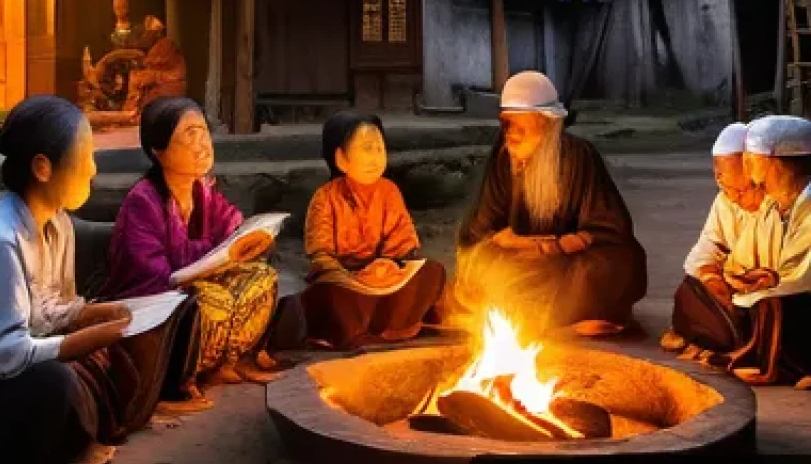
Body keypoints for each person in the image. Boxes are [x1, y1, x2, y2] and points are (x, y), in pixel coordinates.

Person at [0, 95, 201, 464]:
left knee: (124, 345)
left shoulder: (59, 223)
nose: (93, 169)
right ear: (42, 168)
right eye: (85, 156)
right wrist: (86, 339)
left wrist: (97, 314)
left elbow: (54, 309)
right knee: (55, 383)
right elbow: (3, 354)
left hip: (12, 368)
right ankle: (15, 451)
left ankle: (80, 430)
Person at [101, 97, 280, 400]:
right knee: (211, 300)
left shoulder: (203, 189)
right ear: (158, 151)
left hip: (194, 281)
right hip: (151, 298)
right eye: (189, 134)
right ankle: (180, 380)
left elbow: (230, 226)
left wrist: (250, 240)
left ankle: (227, 362)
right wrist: (208, 256)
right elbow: (151, 273)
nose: (202, 145)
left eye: (203, 132)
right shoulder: (142, 201)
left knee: (261, 278)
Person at [450, 71, 647, 338]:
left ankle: (568, 316)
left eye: (521, 126)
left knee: (609, 266)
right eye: (508, 124)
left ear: (546, 125)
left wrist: (556, 246)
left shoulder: (579, 155)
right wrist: (513, 244)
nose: (512, 134)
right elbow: (482, 227)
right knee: (480, 265)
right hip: (519, 262)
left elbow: (609, 227)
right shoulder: (503, 156)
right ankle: (562, 319)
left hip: (568, 262)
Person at [299, 112, 446, 349]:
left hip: (384, 274)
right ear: (341, 159)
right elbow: (320, 254)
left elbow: (403, 242)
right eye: (366, 148)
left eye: (380, 148)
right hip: (346, 280)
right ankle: (354, 333)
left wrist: (386, 264)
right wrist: (347, 275)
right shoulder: (325, 197)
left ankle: (392, 327)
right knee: (329, 291)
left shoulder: (389, 191)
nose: (375, 158)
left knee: (432, 271)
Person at [719, 116, 811, 386]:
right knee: (701, 293)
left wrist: (765, 282)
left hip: (799, 298)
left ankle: (779, 364)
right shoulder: (771, 203)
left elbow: (800, 278)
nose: (745, 165)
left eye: (751, 158)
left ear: (775, 163)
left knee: (772, 307)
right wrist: (743, 277)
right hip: (775, 290)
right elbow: (740, 260)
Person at [662, 123, 763, 359]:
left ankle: (725, 340)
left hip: (761, 291)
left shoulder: (775, 203)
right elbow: (709, 244)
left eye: (743, 190)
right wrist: (711, 276)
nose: (735, 198)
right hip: (731, 286)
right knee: (689, 290)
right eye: (727, 188)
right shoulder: (725, 201)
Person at [122, 16, 187, 124]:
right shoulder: (149, 50)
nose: (145, 37)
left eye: (147, 34)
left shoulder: (165, 45)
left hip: (168, 89)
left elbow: (164, 71)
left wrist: (148, 76)